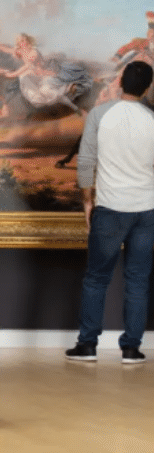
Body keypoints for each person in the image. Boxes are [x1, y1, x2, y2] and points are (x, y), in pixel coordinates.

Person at [66, 60, 154, 364]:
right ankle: (131, 349)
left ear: (119, 83)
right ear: (148, 88)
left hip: (110, 208)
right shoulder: (152, 120)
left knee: (96, 279)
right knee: (138, 281)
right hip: (146, 210)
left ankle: (88, 345)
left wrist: (87, 201)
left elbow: (86, 160)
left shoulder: (101, 114)